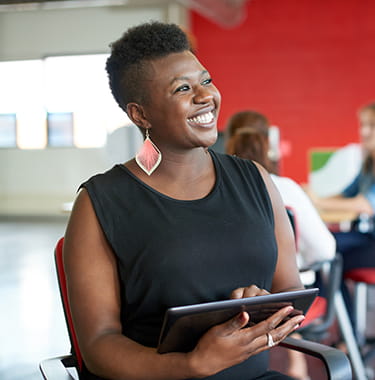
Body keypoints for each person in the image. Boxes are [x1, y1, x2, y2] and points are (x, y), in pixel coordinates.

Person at [63, 22, 305, 380]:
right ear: (140, 115)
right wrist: (192, 364)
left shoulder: (256, 179)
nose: (205, 96)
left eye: (205, 81)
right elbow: (99, 345)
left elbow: (291, 291)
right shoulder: (99, 204)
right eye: (182, 88)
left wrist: (262, 306)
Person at [225, 113, 336, 380]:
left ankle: (296, 362)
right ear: (268, 144)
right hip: (287, 297)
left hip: (230, 299)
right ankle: (320, 354)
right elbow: (325, 250)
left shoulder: (215, 193)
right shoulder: (286, 189)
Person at [308, 101, 375, 324]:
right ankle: (344, 328)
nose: (364, 131)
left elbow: (365, 204)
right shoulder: (369, 163)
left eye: (371, 126)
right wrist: (312, 199)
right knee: (320, 248)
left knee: (330, 255)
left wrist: (317, 200)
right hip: (368, 237)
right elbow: (346, 195)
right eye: (363, 125)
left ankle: (341, 326)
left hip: (371, 242)